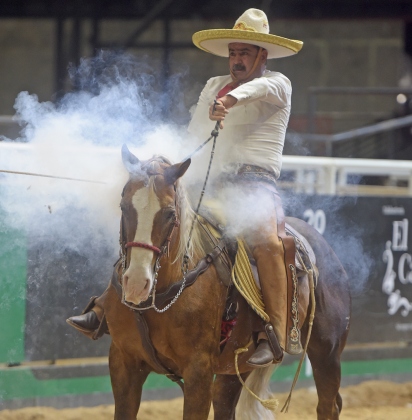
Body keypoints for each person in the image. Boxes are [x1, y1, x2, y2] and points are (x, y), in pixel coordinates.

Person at [67, 8, 303, 367]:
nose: (237, 59)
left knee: (269, 243)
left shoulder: (278, 83)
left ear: (262, 55)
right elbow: (194, 134)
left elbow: (260, 88)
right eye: (234, 52)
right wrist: (164, 169)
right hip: (208, 182)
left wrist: (231, 100)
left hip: (256, 187)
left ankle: (274, 332)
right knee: (148, 222)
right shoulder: (213, 86)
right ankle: (105, 307)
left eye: (245, 53)